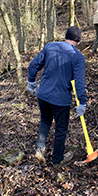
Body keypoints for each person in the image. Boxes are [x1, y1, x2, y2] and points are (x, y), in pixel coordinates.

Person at [27, 26, 87, 166]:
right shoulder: (77, 56)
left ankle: (40, 149)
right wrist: (82, 102)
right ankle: (57, 160)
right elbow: (79, 82)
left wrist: (31, 81)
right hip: (60, 99)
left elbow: (33, 65)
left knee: (45, 120)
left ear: (66, 36)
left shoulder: (50, 47)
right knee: (61, 129)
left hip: (43, 95)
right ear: (78, 41)